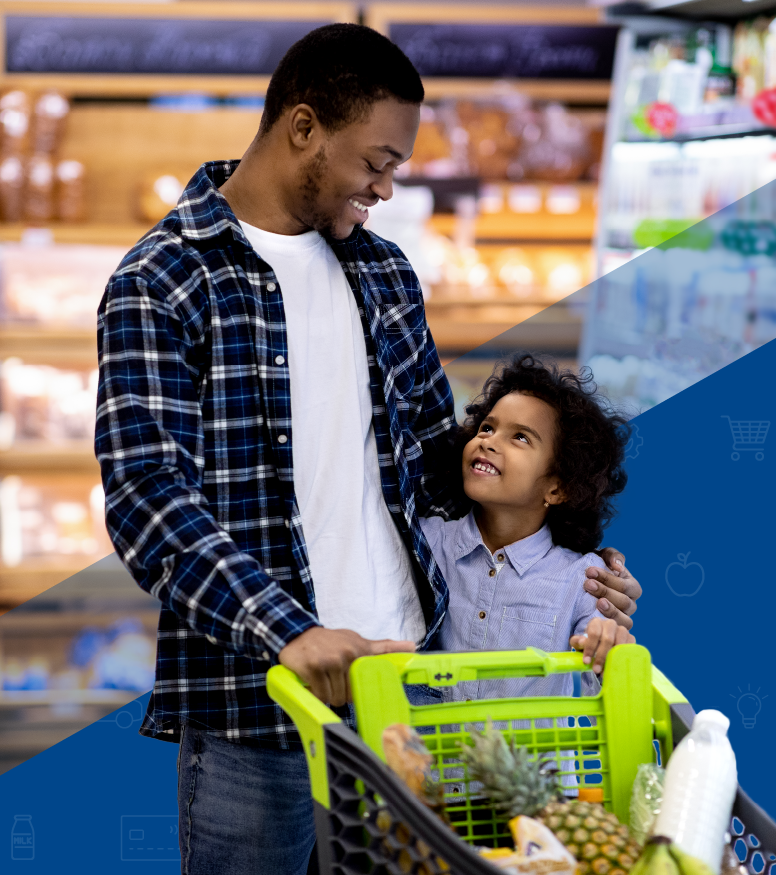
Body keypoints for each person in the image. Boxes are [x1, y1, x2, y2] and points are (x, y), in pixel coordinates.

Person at [95, 24, 642, 875]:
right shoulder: (163, 280)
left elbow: (439, 463)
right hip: (259, 712)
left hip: (415, 698)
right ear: (303, 128)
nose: (386, 189)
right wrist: (290, 633)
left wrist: (570, 569)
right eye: (377, 163)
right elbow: (146, 496)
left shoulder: (383, 272)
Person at [421, 353, 636, 705]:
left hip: (536, 762)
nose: (488, 441)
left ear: (557, 488)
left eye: (520, 437)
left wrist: (608, 643)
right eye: (487, 427)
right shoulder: (428, 543)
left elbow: (605, 661)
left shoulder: (580, 577)